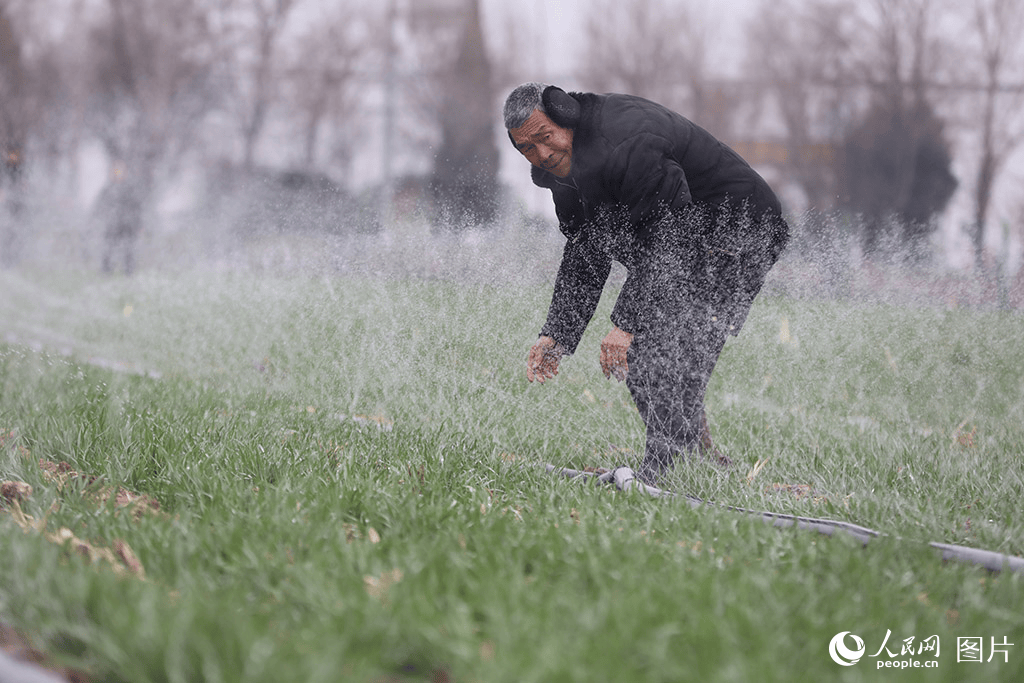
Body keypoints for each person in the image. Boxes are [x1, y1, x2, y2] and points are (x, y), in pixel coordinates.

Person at [503, 83, 789, 484]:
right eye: (527, 149)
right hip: (688, 238)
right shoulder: (563, 174)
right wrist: (558, 335)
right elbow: (587, 251)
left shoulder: (628, 142)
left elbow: (669, 234)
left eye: (545, 138)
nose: (542, 155)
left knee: (654, 353)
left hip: (740, 232)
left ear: (565, 117)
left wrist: (627, 323)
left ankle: (663, 473)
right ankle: (697, 460)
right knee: (670, 354)